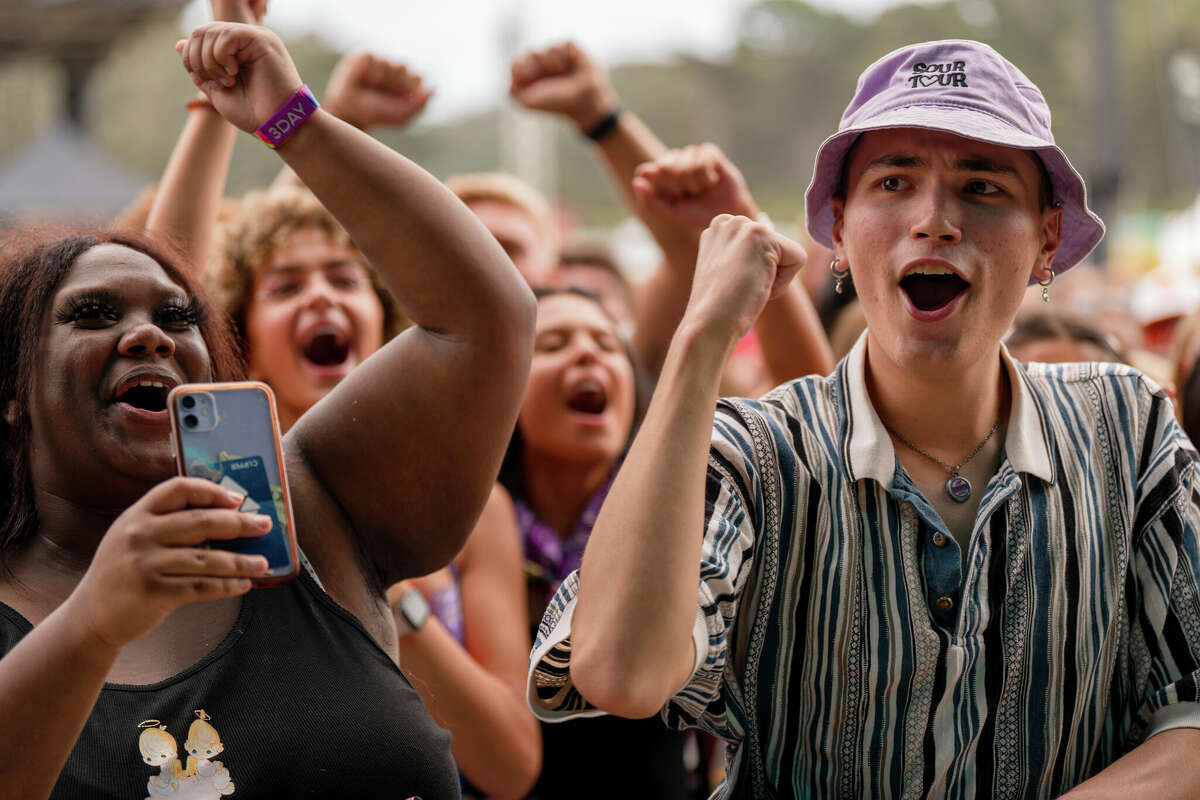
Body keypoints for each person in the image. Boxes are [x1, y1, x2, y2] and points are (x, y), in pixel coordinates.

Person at [527, 39, 1200, 798]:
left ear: (1047, 238)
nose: (936, 220)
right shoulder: (753, 454)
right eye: (894, 181)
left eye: (982, 186)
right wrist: (699, 340)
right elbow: (622, 673)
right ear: (839, 232)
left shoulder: (1125, 425)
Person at [0, 20, 534, 800]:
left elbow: (486, 321)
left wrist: (295, 121)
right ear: (10, 395)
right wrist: (94, 621)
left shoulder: (313, 503)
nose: (148, 333)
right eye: (92, 314)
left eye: (181, 317)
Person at [498, 286, 709, 799]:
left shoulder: (683, 512)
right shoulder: (467, 528)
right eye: (552, 345)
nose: (587, 353)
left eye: (606, 342)